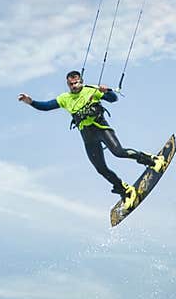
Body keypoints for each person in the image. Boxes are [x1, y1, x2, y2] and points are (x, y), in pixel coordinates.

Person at [18, 70, 165, 205]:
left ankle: (152, 160)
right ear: (68, 84)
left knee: (119, 152)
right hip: (88, 138)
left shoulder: (91, 90)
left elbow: (113, 99)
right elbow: (45, 106)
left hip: (102, 129)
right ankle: (125, 190)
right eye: (71, 84)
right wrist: (30, 102)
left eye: (76, 83)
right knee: (101, 168)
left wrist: (106, 90)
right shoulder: (65, 98)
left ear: (81, 81)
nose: (74, 86)